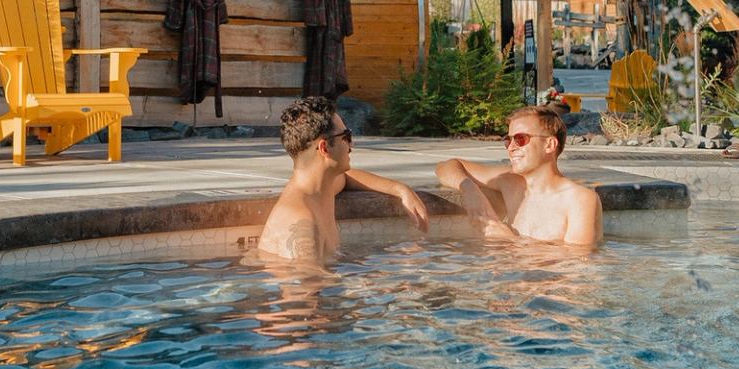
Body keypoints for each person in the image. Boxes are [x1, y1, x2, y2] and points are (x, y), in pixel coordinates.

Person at [258, 96, 428, 264]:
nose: (351, 145)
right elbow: (305, 286)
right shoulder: (303, 223)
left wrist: (401, 190)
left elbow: (346, 177)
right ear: (324, 148)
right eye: (346, 136)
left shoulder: (319, 189)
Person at [436, 106, 603, 245]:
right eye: (508, 140)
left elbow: (579, 268)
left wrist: (510, 240)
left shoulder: (579, 199)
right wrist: (470, 189)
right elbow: (446, 167)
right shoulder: (510, 182)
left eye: (520, 139)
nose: (511, 148)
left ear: (549, 144)